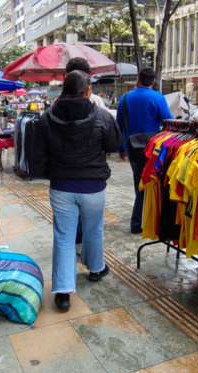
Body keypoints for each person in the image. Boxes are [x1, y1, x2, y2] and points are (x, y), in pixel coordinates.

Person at [31, 71, 123, 310]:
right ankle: (96, 269)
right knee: (94, 230)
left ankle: (63, 292)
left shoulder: (47, 117)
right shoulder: (102, 116)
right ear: (87, 90)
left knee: (64, 236)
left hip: (61, 187)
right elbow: (114, 145)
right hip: (93, 187)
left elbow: (37, 157)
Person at [116, 66, 174, 234]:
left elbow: (119, 125)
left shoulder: (125, 98)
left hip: (132, 147)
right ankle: (140, 220)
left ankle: (141, 219)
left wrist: (121, 148)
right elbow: (168, 122)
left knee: (139, 181)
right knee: (152, 181)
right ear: (153, 81)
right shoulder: (158, 98)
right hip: (153, 149)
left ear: (138, 79)